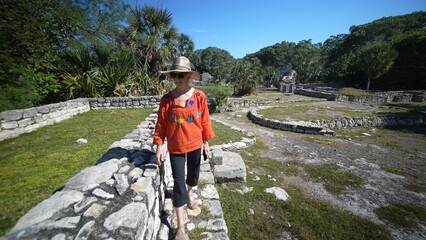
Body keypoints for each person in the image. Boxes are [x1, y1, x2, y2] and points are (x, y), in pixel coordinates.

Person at [153, 56, 215, 240]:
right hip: (176, 147)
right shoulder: (166, 100)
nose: (177, 78)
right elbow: (161, 125)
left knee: (193, 175)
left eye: (181, 74)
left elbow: (204, 120)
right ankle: (180, 226)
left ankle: (190, 194)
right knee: (178, 183)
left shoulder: (199, 96)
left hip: (196, 143)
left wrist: (206, 142)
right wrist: (158, 146)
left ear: (189, 76)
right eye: (174, 74)